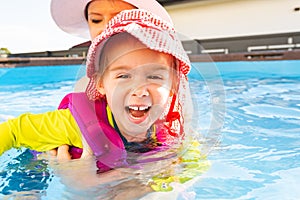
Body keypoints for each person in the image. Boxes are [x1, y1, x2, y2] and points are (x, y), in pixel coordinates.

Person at [0, 10, 207, 194]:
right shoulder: (73, 124)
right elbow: (13, 130)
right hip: (33, 172)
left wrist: (155, 185)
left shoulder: (166, 127)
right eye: (123, 76)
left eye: (155, 77)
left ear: (173, 86)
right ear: (100, 84)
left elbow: (195, 159)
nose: (140, 90)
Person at [49, 0, 174, 158]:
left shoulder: (169, 86)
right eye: (96, 20)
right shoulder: (84, 86)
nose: (108, 27)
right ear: (100, 83)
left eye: (121, 18)